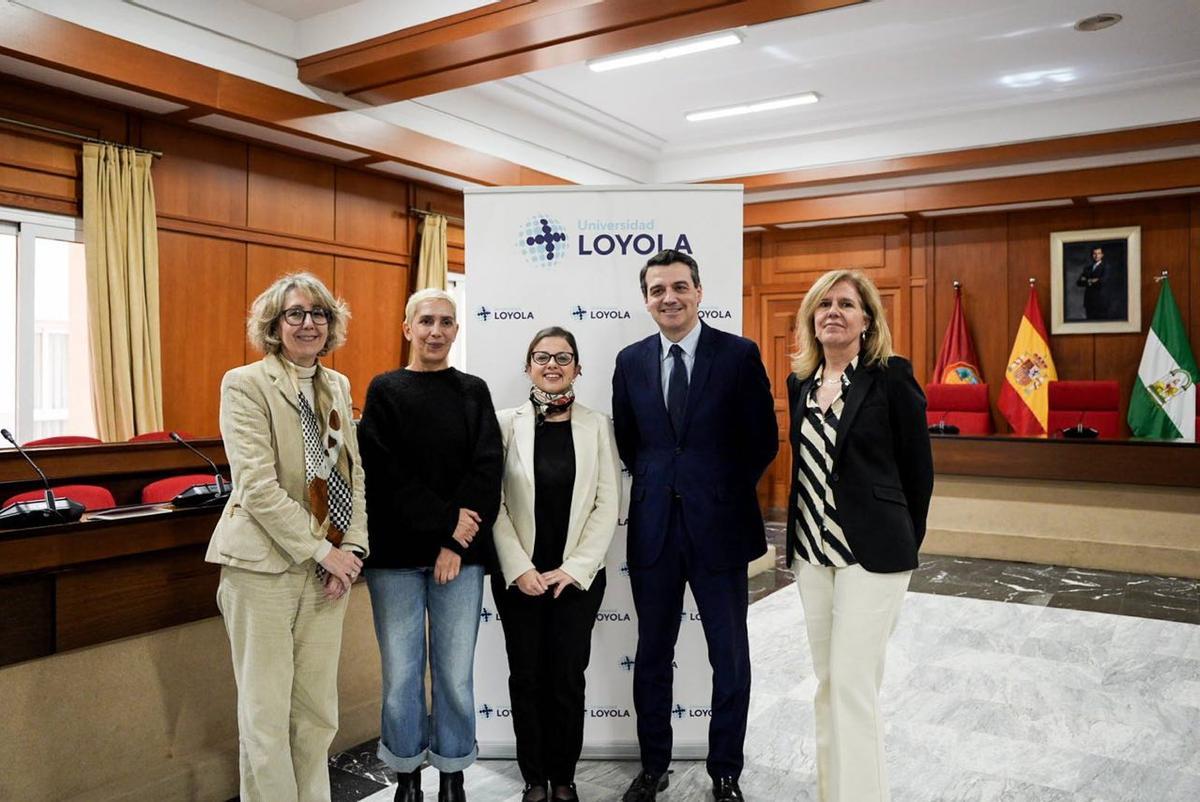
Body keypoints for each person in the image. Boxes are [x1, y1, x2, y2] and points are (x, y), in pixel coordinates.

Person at [611, 250, 778, 802]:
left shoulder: (738, 355)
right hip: (654, 530)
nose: (670, 298)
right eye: (658, 290)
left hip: (721, 529)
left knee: (728, 657)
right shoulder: (630, 360)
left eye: (680, 287)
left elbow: (762, 440)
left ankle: (725, 770)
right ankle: (653, 767)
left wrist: (717, 490)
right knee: (652, 656)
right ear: (646, 300)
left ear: (699, 292)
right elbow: (632, 444)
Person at [206, 272, 368, 802]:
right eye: (295, 313)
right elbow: (256, 487)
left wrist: (351, 549)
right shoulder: (244, 383)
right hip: (263, 568)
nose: (308, 323)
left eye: (318, 313)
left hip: (327, 571)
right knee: (266, 714)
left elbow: (352, 474)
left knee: (317, 713)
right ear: (274, 325)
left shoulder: (337, 385)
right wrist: (324, 551)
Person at [785, 269, 933, 802]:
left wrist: (901, 539)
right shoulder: (800, 383)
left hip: (871, 557)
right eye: (823, 305)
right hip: (811, 553)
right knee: (828, 684)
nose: (834, 313)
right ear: (811, 319)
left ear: (867, 320)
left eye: (846, 304)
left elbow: (918, 472)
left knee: (853, 685)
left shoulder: (891, 377)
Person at [358, 287, 503, 802]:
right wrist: (446, 523)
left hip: (460, 559)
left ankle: (452, 773)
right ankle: (406, 775)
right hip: (394, 558)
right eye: (426, 321)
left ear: (456, 331)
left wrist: (454, 545)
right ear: (408, 329)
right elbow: (383, 475)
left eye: (445, 322)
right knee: (401, 676)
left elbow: (487, 468)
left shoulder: (473, 391)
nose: (435, 331)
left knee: (454, 676)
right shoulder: (385, 390)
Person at [492, 326, 621, 802]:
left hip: (577, 580)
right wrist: (519, 568)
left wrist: (575, 568)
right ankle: (533, 778)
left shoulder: (598, 425)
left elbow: (608, 503)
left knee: (567, 678)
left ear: (578, 368)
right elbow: (493, 504)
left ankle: (563, 777)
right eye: (542, 357)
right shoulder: (504, 424)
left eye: (563, 357)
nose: (552, 365)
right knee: (525, 677)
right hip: (519, 578)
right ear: (528, 367)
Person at [1076, 246, 1110, 319]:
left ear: (1102, 255)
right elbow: (1079, 282)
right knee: (1090, 322)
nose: (1096, 255)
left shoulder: (1106, 267)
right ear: (1092, 255)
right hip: (1089, 301)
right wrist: (1092, 280)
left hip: (1100, 301)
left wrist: (1087, 280)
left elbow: (1102, 281)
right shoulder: (1087, 268)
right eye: (1094, 254)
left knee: (1101, 323)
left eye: (1099, 253)